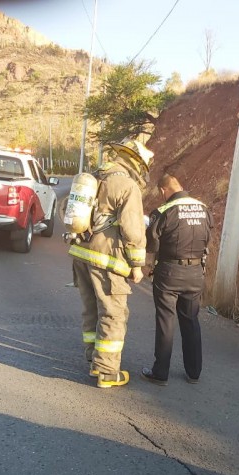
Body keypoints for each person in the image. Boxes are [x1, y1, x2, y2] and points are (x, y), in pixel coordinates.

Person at [68, 137, 152, 388]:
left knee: (91, 308)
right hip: (106, 258)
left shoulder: (95, 177)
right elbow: (133, 229)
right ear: (136, 163)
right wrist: (137, 265)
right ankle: (106, 371)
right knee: (114, 313)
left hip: (80, 253)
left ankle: (92, 356)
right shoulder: (126, 185)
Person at [141, 173, 213, 386]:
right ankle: (194, 372)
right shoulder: (203, 208)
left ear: (164, 190)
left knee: (166, 321)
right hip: (195, 273)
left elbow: (151, 245)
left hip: (169, 273)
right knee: (191, 320)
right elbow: (207, 237)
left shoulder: (163, 211)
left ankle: (160, 372)